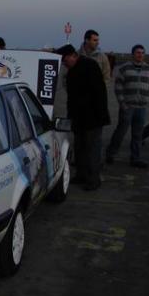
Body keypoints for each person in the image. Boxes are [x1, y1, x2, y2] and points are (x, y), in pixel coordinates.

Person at [55, 44, 110, 191]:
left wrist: (99, 116)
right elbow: (72, 97)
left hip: (92, 117)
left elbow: (99, 93)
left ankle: (93, 179)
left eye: (65, 60)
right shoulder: (73, 70)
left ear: (73, 56)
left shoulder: (89, 66)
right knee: (80, 148)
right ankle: (81, 175)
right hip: (79, 117)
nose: (64, 64)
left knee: (92, 150)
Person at [105, 44, 149, 168]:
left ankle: (135, 158)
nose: (140, 55)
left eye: (142, 53)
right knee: (121, 131)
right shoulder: (124, 68)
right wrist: (122, 103)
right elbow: (118, 86)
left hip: (141, 107)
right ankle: (110, 153)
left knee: (138, 134)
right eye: (138, 53)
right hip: (127, 106)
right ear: (133, 54)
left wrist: (148, 97)